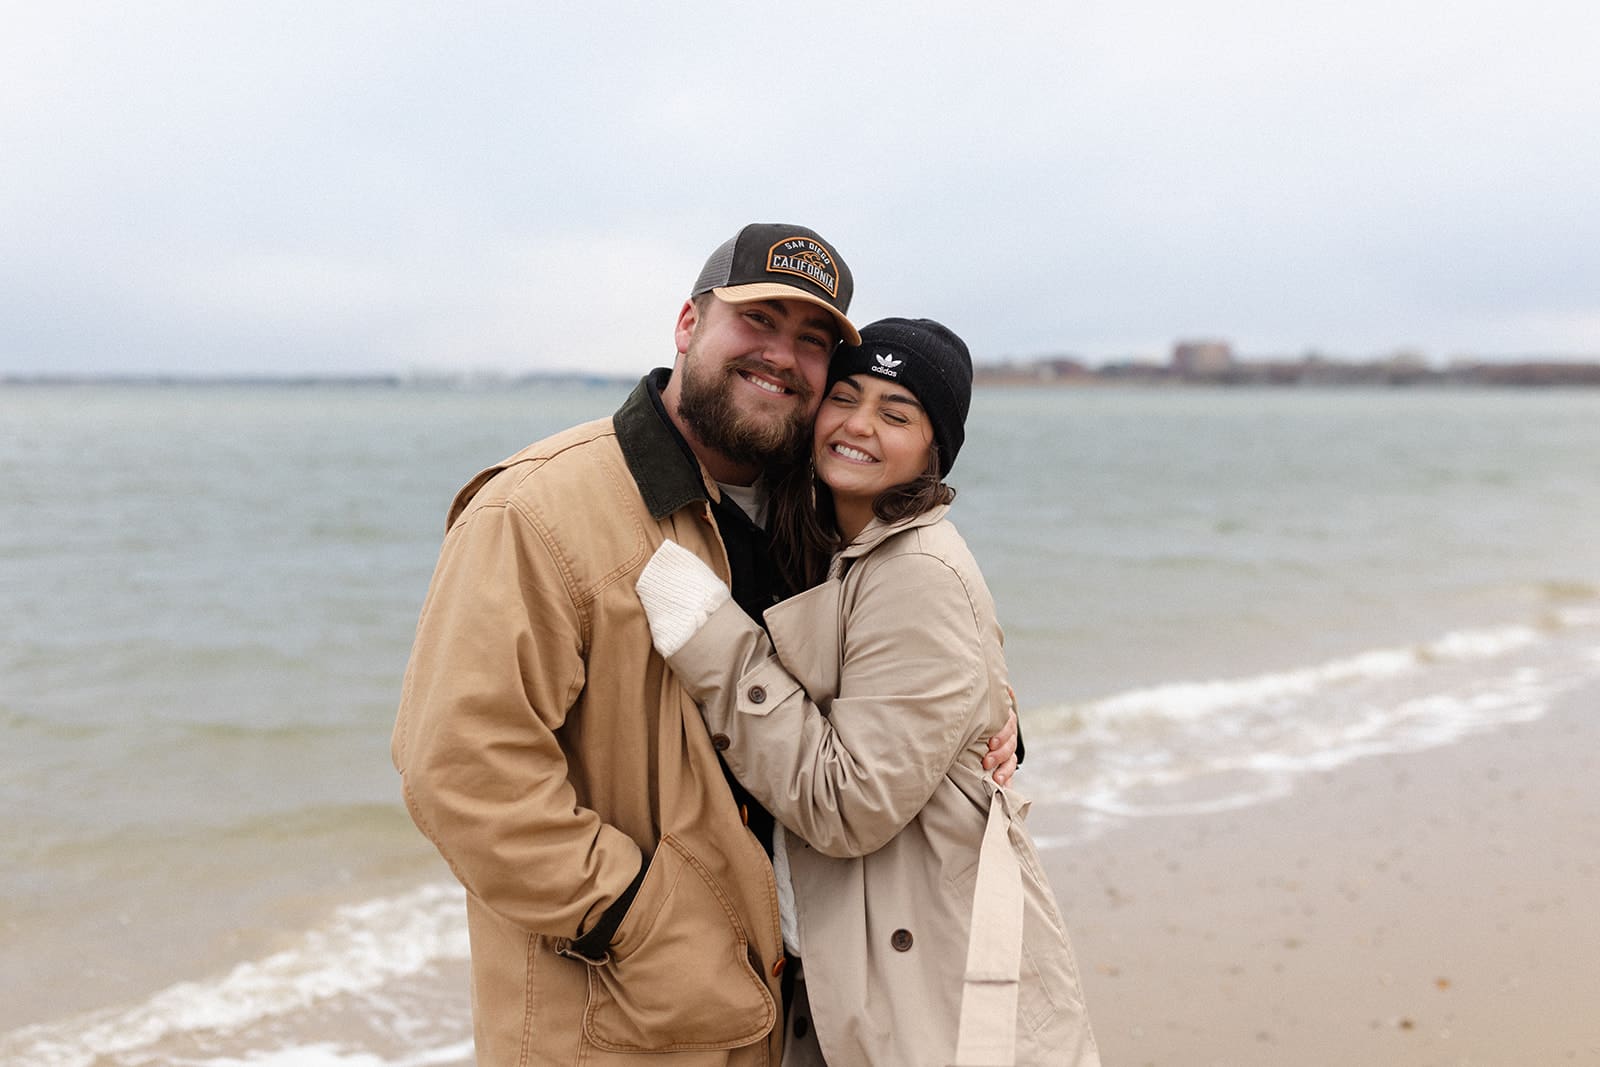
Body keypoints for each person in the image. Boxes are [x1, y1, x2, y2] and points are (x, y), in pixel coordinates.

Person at [392, 225, 1018, 1066]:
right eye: (758, 320)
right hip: (621, 1021)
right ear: (689, 323)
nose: (781, 356)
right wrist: (636, 917)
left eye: (812, 341)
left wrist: (990, 715)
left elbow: (908, 642)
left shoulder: (818, 508)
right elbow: (462, 768)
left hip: (798, 1015)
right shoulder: (539, 509)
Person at [633, 318, 1101, 1066]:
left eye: (895, 413)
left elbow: (847, 804)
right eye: (845, 397)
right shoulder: (837, 545)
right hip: (850, 969)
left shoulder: (914, 570)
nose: (857, 425)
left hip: (927, 997)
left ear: (933, 448)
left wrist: (707, 634)